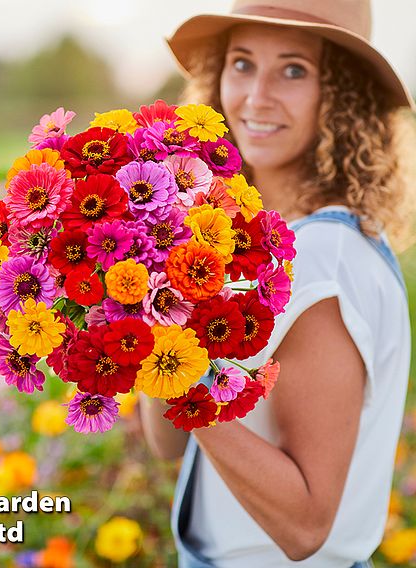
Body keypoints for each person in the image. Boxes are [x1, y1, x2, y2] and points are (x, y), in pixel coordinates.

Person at [139, 1, 416, 566]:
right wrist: (143, 315)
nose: (256, 96)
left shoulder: (321, 259)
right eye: (242, 64)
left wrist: (183, 375)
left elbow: (304, 524)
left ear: (342, 98)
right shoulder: (261, 247)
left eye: (293, 70)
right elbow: (169, 444)